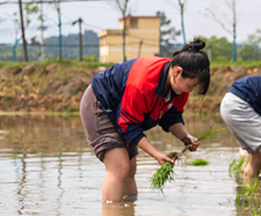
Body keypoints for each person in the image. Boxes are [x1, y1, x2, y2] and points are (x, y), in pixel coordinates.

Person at [80, 39, 211, 202]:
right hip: (101, 104)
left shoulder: (179, 88)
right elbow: (128, 125)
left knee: (130, 169)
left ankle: (129, 213)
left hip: (125, 111)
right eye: (191, 85)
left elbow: (171, 117)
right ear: (177, 72)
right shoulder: (144, 81)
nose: (190, 90)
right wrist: (156, 154)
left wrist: (186, 137)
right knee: (119, 167)